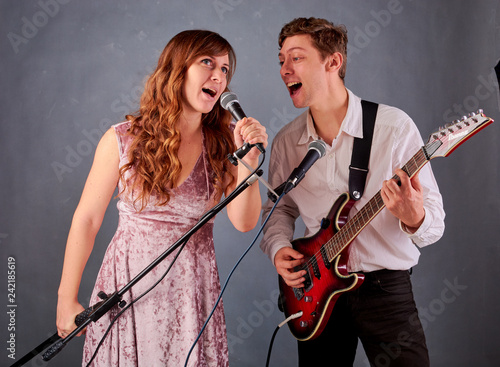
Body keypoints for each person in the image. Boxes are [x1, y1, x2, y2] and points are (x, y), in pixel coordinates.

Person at [56, 29, 268, 367]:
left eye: (225, 70)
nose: (218, 75)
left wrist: (249, 164)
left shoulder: (224, 145)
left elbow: (244, 223)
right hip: (126, 292)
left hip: (191, 297)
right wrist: (66, 299)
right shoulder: (123, 140)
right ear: (177, 68)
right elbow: (87, 219)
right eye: (207, 62)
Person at [260, 17, 445, 366]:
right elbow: (279, 209)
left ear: (333, 62)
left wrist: (413, 216)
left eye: (296, 58)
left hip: (385, 291)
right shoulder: (287, 141)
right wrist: (279, 248)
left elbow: (435, 224)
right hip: (315, 292)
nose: (285, 69)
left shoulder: (394, 127)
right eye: (281, 60)